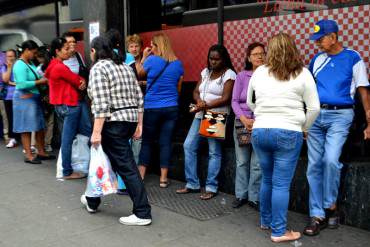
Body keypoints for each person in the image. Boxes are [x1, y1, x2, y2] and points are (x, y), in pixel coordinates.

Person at [247, 32, 320, 242]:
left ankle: (266, 220)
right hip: (288, 131)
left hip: (260, 131)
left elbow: (251, 102)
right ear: (293, 50)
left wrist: (261, 114)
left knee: (267, 179)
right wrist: (304, 126)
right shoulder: (303, 73)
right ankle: (279, 231)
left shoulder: (259, 72)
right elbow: (314, 108)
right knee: (280, 184)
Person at [304, 19, 370, 236]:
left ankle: (330, 204)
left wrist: (369, 119)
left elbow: (362, 89)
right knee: (314, 164)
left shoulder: (353, 57)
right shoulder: (316, 59)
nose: (317, 43)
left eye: (320, 38)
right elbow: (306, 88)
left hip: (340, 115)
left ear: (333, 37)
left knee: (330, 160)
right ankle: (317, 215)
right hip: (316, 115)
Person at [82, 35, 152, 226]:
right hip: (128, 121)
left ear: (95, 51)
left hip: (113, 123)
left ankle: (142, 212)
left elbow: (101, 104)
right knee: (107, 160)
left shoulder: (98, 68)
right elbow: (139, 97)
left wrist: (96, 132)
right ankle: (92, 199)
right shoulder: (124, 67)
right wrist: (139, 124)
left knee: (127, 167)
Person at [176, 44, 236, 200]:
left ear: (224, 59)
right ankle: (192, 183)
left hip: (215, 115)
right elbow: (196, 91)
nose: (213, 62)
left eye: (217, 59)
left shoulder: (229, 74)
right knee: (189, 145)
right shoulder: (206, 72)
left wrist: (206, 105)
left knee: (213, 151)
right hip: (200, 114)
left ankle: (211, 187)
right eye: (211, 58)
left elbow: (226, 98)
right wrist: (199, 101)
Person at [136, 33, 184, 187]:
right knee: (166, 142)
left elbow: (139, 73)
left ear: (157, 46)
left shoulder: (151, 60)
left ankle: (141, 176)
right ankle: (163, 179)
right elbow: (179, 88)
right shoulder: (178, 64)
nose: (150, 48)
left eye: (152, 46)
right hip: (171, 108)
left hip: (152, 108)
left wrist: (143, 56)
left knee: (147, 142)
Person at [45, 37, 91, 179]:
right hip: (69, 104)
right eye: (65, 49)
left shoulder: (53, 65)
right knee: (68, 139)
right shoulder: (59, 67)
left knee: (80, 134)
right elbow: (77, 80)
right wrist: (80, 82)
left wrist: (80, 82)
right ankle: (67, 171)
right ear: (57, 51)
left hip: (63, 105)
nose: (69, 51)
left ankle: (78, 165)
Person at [231, 42, 264, 209]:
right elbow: (234, 101)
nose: (259, 56)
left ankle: (254, 197)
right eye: (255, 54)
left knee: (257, 163)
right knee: (242, 161)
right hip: (242, 123)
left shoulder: (268, 76)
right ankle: (241, 195)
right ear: (249, 58)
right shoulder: (242, 76)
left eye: (261, 53)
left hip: (261, 123)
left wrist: (257, 119)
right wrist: (243, 118)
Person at [12, 40, 54, 164]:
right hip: (24, 98)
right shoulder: (19, 64)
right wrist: (40, 82)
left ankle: (40, 152)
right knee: (26, 127)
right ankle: (29, 156)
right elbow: (21, 84)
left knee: (39, 126)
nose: (35, 55)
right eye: (33, 53)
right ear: (26, 50)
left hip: (33, 97)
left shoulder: (29, 63)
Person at [126, 34, 145, 165]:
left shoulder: (146, 60)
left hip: (143, 103)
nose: (134, 49)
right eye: (131, 46)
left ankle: (136, 166)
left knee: (138, 136)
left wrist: (143, 83)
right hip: (129, 103)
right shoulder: (126, 61)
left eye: (136, 46)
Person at [35, 46, 54, 152]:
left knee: (41, 121)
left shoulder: (38, 69)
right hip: (51, 96)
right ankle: (47, 143)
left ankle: (39, 144)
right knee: (50, 121)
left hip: (42, 96)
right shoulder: (53, 65)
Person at [1, 49, 19, 148]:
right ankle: (12, 138)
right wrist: (9, 67)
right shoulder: (4, 67)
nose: (10, 58)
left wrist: (12, 83)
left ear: (15, 57)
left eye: (12, 56)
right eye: (8, 56)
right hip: (8, 96)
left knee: (20, 117)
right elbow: (5, 79)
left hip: (20, 94)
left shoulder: (19, 66)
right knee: (10, 117)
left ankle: (22, 137)